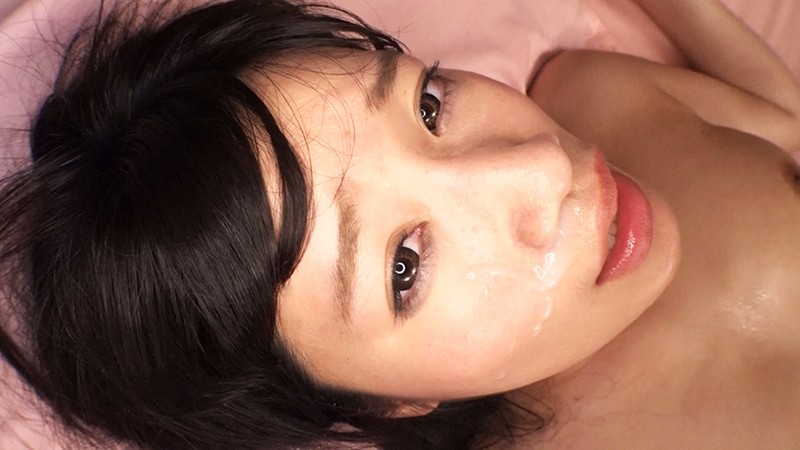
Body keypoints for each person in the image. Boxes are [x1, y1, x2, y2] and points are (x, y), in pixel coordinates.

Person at [0, 0, 797, 448]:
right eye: (404, 267)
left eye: (430, 105)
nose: (543, 170)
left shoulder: (601, 99)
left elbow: (782, 124)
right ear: (385, 404)